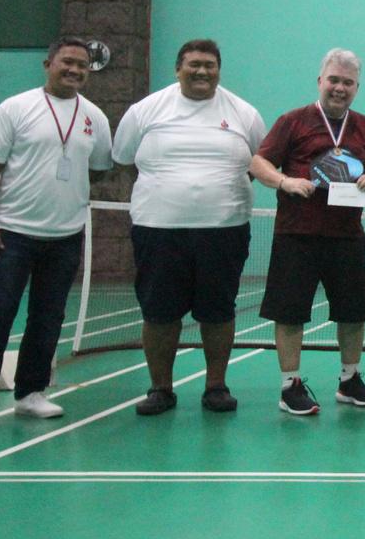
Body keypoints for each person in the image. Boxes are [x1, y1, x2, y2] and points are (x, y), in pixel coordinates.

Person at [0, 37, 113, 432]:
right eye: (67, 62)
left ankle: (31, 393)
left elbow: (98, 168)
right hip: (12, 234)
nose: (74, 70)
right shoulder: (16, 108)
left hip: (66, 236)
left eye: (82, 65)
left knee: (48, 317)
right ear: (48, 64)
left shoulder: (94, 117)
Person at [113, 38, 267, 416]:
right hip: (157, 229)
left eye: (209, 65)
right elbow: (124, 158)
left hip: (224, 229)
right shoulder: (145, 110)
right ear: (178, 68)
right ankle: (160, 389)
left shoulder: (244, 113)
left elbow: (260, 163)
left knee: (218, 311)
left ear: (219, 71)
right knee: (159, 312)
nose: (201, 71)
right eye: (194, 64)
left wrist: (218, 192)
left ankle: (216, 387)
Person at [249, 49, 365, 415]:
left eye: (348, 83)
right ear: (320, 81)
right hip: (297, 235)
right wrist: (285, 181)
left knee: (353, 314)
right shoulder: (292, 121)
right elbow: (258, 162)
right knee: (290, 313)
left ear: (357, 88)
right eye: (334, 80)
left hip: (347, 236)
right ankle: (290, 386)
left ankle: (349, 380)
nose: (340, 88)